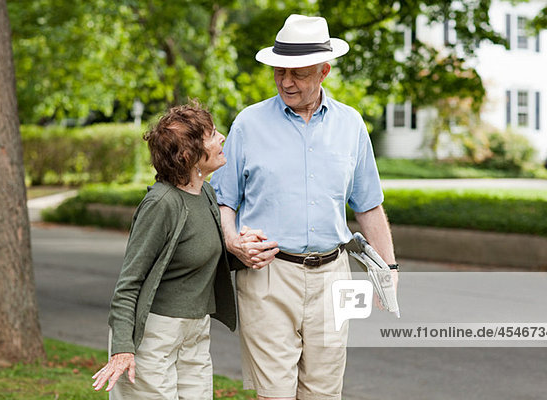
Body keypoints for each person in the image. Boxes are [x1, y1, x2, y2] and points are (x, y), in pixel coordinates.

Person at [210, 14, 398, 400]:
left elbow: (369, 206)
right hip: (267, 275)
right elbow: (224, 199)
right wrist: (232, 241)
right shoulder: (248, 124)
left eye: (298, 73)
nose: (286, 82)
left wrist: (389, 268)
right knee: (274, 394)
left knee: (323, 393)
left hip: (334, 277)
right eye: (280, 72)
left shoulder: (351, 125)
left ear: (324, 71)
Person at [92, 102, 236, 399]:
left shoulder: (206, 193)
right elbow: (129, 282)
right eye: (211, 135)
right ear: (189, 155)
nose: (222, 137)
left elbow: (202, 257)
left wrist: (244, 250)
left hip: (196, 329)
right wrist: (122, 348)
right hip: (154, 334)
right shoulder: (162, 204)